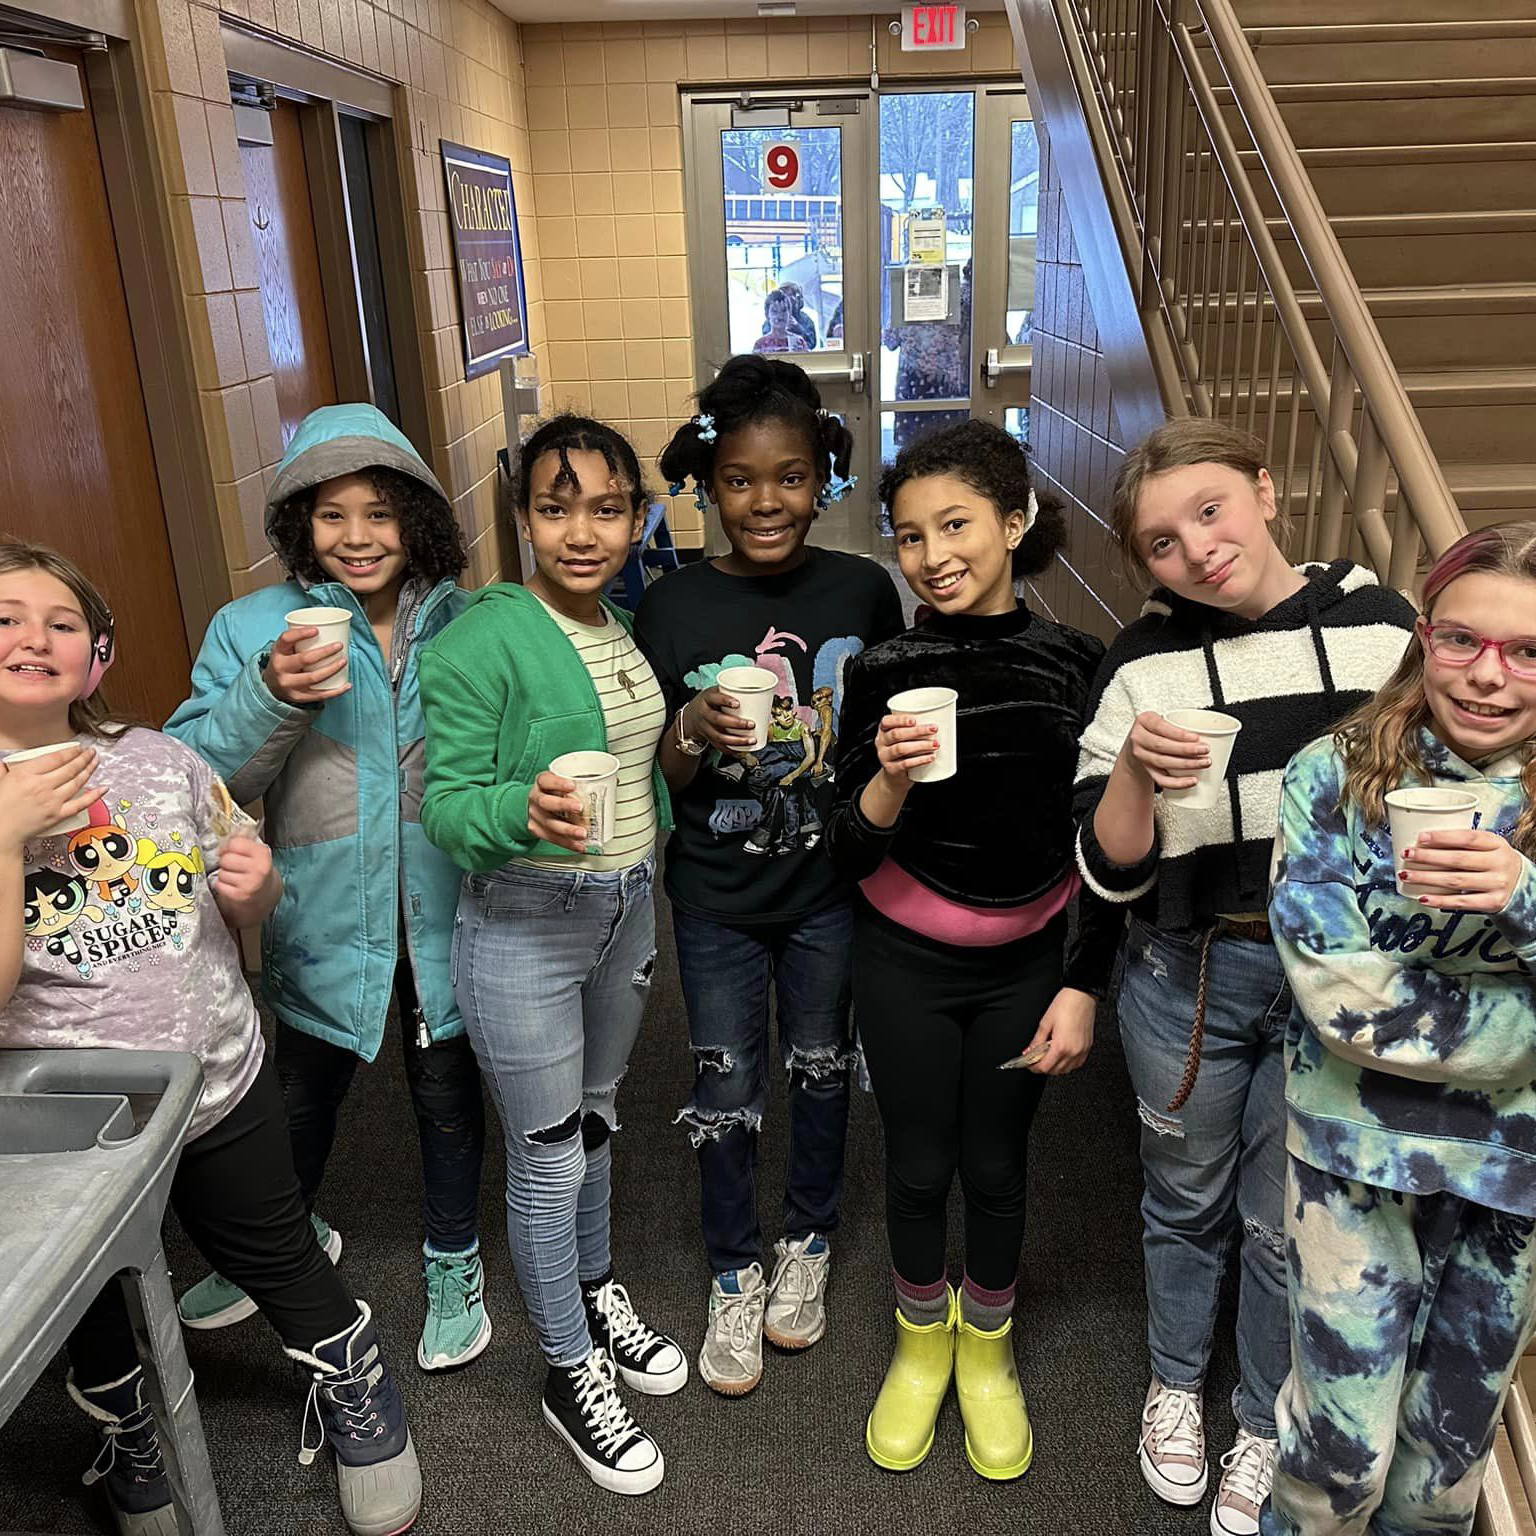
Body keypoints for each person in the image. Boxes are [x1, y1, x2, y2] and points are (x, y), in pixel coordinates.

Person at [0, 541, 420, 1536]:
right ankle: (126, 1424)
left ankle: (351, 1376)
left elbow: (238, 895)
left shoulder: (159, 760)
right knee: (92, 1302)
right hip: (69, 1128)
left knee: (273, 1246)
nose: (33, 638)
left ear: (97, 657)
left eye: (63, 623)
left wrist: (257, 891)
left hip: (217, 1079)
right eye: (6, 618)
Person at [1072, 419, 1416, 1536]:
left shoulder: (1384, 629)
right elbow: (1104, 868)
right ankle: (1177, 1384)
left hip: (1337, 982)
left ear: (1266, 490)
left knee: (1284, 1218)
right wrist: (1132, 769)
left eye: (1211, 510)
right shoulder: (1141, 663)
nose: (1197, 550)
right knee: (1182, 1195)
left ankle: (1263, 1421)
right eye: (1163, 543)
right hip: (1190, 968)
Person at [165, 403, 489, 1374]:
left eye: (381, 513)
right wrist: (270, 690)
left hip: (444, 910)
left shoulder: (466, 619)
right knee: (300, 1095)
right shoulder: (251, 627)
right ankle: (286, 1239)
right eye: (331, 514)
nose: (357, 537)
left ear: (419, 519)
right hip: (319, 914)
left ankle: (453, 1259)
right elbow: (190, 775)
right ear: (299, 522)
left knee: (445, 1094)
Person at [827, 420, 1122, 1479]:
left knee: (997, 1165)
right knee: (916, 1163)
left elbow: (1101, 849)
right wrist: (892, 777)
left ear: (1015, 520)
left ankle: (987, 1354)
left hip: (1028, 963)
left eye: (955, 525)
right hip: (904, 960)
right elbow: (844, 850)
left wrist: (1085, 982)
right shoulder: (880, 669)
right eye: (908, 537)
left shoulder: (1078, 663)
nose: (932, 554)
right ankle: (919, 1347)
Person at [419, 415, 685, 1497]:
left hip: (625, 911)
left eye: (609, 508)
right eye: (554, 505)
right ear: (520, 516)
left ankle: (595, 1289)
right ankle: (566, 1367)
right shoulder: (483, 636)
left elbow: (636, 768)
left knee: (597, 1122)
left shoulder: (618, 627)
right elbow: (444, 807)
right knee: (546, 1153)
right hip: (525, 924)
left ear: (638, 517)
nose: (582, 531)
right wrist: (520, 811)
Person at [637, 354, 904, 1398]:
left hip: (829, 889)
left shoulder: (863, 590)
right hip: (713, 895)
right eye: (741, 480)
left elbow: (880, 738)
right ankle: (734, 1267)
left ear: (823, 478)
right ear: (709, 483)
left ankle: (809, 1240)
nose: (765, 501)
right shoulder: (672, 607)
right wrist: (692, 731)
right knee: (726, 1080)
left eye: (790, 476)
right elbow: (659, 768)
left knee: (822, 1068)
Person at [1265, 522, 1536, 1536]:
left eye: (1527, 652)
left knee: (1441, 1476)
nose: (1486, 676)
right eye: (1461, 640)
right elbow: (1347, 1009)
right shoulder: (1327, 778)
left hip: (1512, 1173)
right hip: (1352, 1153)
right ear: (1423, 636)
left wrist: (1525, 899)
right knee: (1337, 1462)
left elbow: (1398, 1004)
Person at [761, 281, 818, 351]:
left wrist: (798, 328)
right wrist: (780, 328)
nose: (791, 299)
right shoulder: (770, 320)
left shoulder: (805, 319)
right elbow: (766, 342)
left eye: (793, 295)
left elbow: (811, 343)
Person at [754, 289, 809, 355]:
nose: (780, 315)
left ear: (789, 313)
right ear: (767, 315)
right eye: (774, 311)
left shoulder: (798, 342)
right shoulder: (760, 344)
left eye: (784, 310)